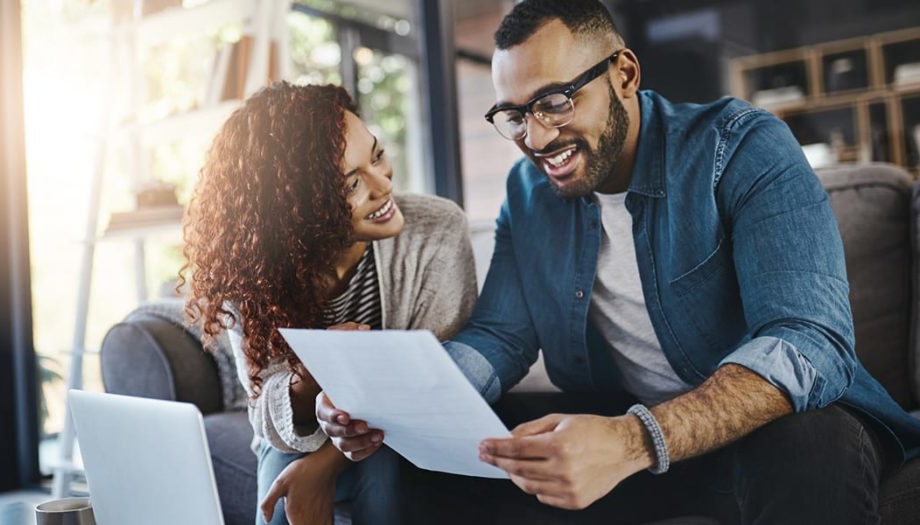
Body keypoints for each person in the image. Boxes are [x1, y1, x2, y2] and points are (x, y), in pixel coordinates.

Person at [315, 1, 920, 523]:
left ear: (624, 72)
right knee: (413, 461)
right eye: (515, 115)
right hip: (629, 429)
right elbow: (500, 336)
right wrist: (395, 404)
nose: (537, 137)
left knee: (809, 443)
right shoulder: (528, 197)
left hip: (762, 431)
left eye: (554, 101)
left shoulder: (740, 148)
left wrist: (635, 439)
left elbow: (808, 341)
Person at [181, 82, 477, 525]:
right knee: (279, 489)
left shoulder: (437, 230)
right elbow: (267, 420)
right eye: (352, 183)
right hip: (303, 437)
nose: (383, 186)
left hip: (403, 432)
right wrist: (307, 379)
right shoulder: (252, 273)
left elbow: (431, 385)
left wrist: (319, 470)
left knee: (383, 471)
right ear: (299, 210)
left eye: (376, 156)